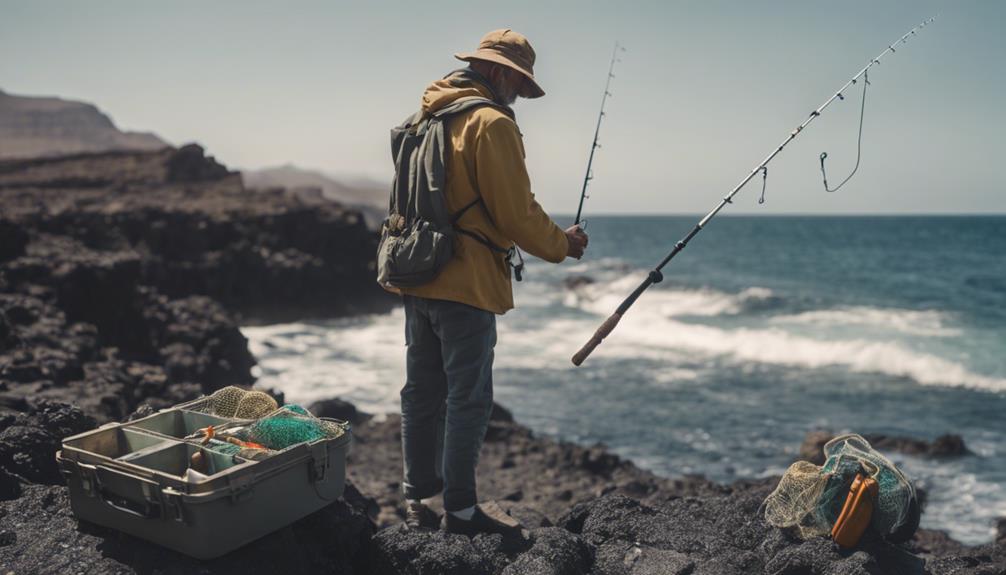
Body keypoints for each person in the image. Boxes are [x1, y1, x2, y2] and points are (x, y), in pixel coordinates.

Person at [391, 28, 589, 536]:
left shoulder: (426, 115)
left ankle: (417, 503)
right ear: (499, 71)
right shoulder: (490, 122)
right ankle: (460, 513)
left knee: (420, 394)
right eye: (519, 83)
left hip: (418, 273)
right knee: (468, 400)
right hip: (467, 282)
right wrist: (562, 244)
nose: (520, 93)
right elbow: (515, 213)